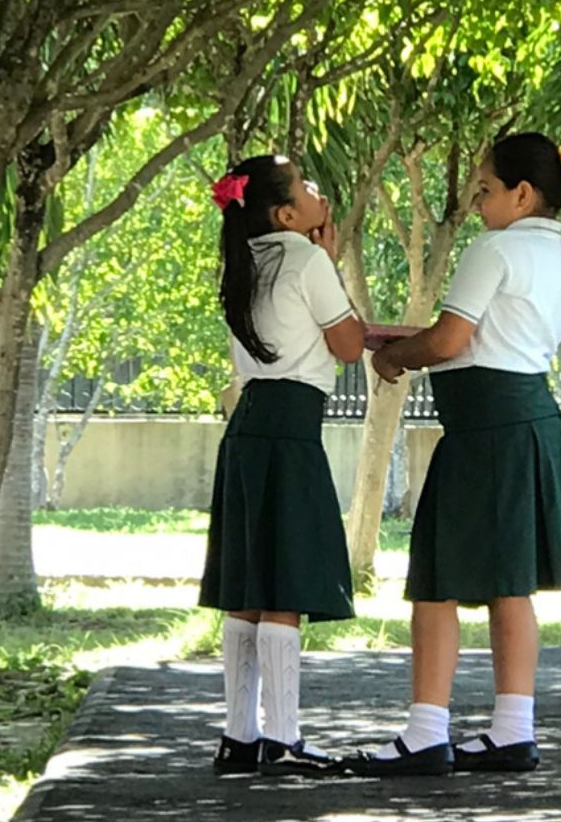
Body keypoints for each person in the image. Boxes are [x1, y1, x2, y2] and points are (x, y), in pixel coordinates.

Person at [345, 132, 561, 777]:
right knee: (510, 586)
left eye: (485, 190)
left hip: (484, 431)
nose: (478, 205)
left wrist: (395, 354)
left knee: (437, 582)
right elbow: (489, 339)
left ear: (523, 193)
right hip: (529, 422)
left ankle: (425, 732)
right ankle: (513, 730)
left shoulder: (497, 248)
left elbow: (453, 340)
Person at [198, 154, 366, 777]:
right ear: (287, 212)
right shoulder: (305, 259)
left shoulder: (249, 260)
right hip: (293, 426)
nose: (319, 191)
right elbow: (347, 347)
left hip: (249, 423)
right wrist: (331, 259)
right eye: (306, 186)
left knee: (247, 587)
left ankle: (239, 737)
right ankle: (286, 739)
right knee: (286, 583)